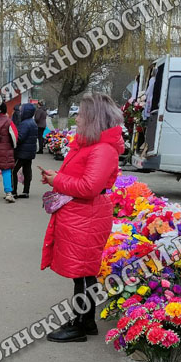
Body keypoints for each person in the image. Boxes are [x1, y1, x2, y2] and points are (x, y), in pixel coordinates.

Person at [40, 93, 125, 342]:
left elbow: (89, 187)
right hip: (81, 213)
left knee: (84, 272)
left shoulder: (102, 149)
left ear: (94, 119)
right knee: (83, 272)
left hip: (87, 214)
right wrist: (57, 177)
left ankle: (79, 325)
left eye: (81, 114)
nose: (77, 119)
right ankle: (86, 322)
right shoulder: (92, 146)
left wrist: (57, 180)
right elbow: (83, 179)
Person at [12, 103, 38, 198]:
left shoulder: (25, 124)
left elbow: (20, 138)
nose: (20, 112)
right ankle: (26, 191)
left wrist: (13, 138)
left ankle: (13, 191)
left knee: (13, 171)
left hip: (22, 152)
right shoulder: (32, 122)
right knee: (27, 171)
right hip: (30, 152)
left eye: (21, 110)